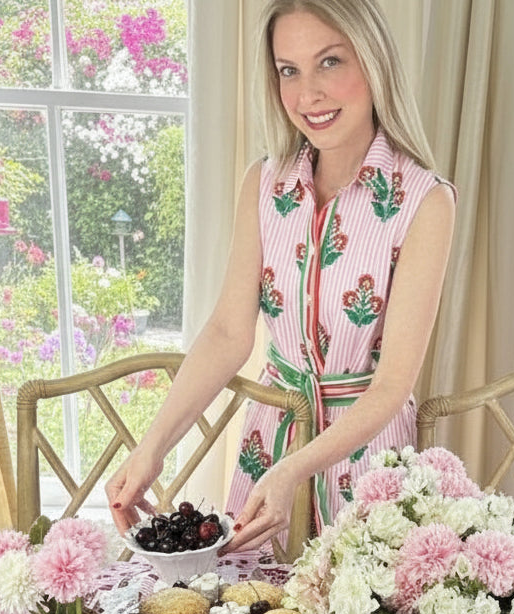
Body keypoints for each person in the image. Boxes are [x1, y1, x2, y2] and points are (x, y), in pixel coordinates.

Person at [106, 0, 455, 554]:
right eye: (288, 70)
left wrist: (294, 469)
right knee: (250, 605)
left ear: (373, 61)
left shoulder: (425, 200)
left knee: (359, 606)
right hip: (268, 443)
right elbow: (228, 332)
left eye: (330, 62)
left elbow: (393, 385)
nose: (307, 94)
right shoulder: (265, 183)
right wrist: (151, 449)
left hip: (369, 459)